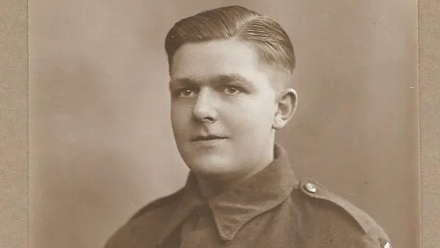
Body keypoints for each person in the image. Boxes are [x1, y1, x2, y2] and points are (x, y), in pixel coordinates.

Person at [104, 5, 391, 248]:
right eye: (186, 91)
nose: (201, 110)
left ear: (281, 109)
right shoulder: (137, 237)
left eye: (230, 89)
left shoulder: (345, 238)